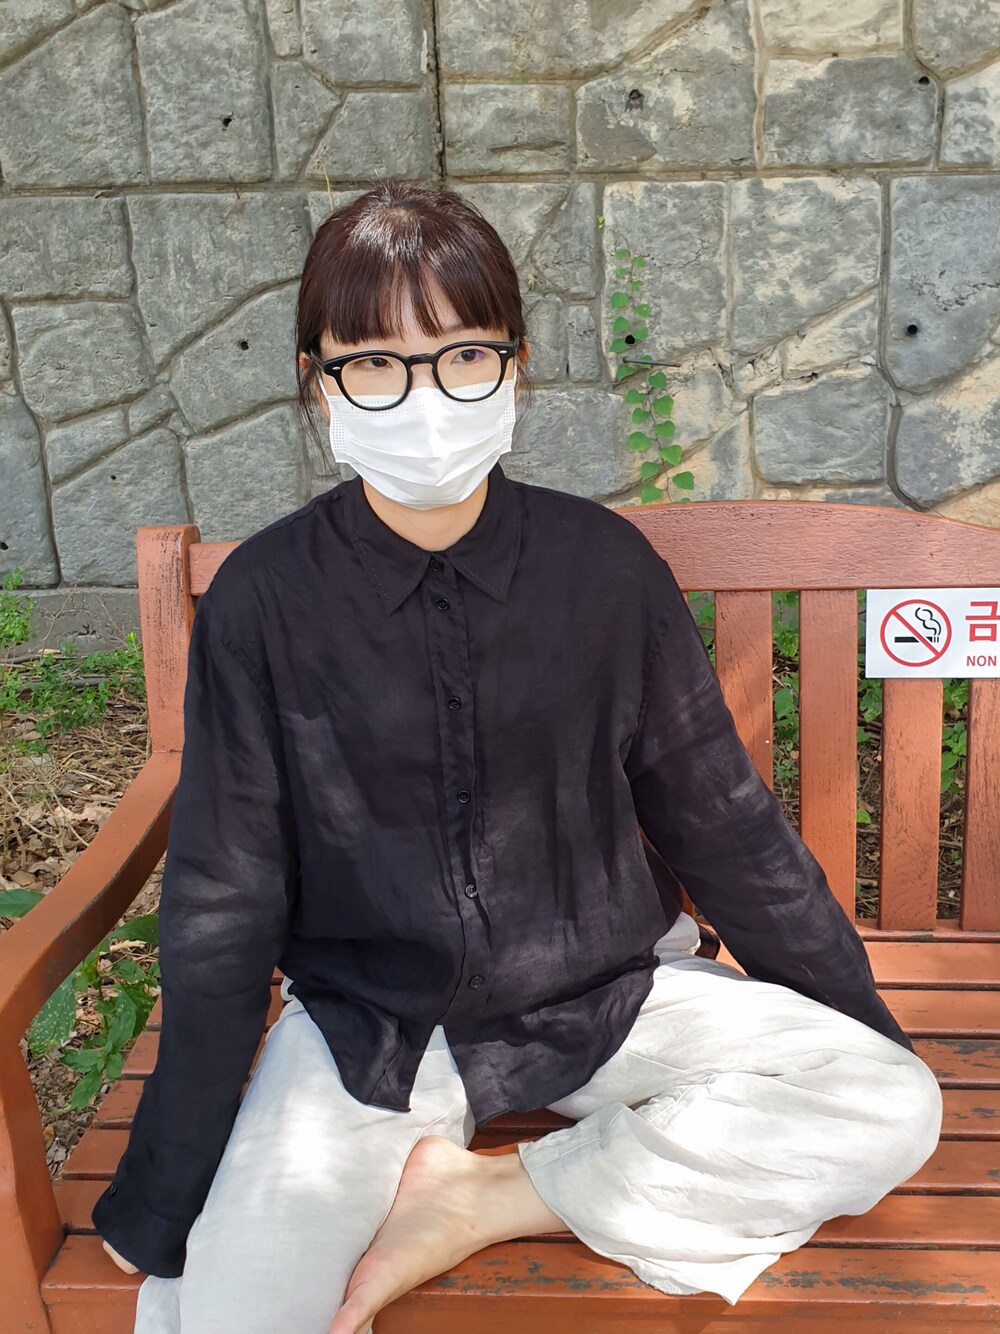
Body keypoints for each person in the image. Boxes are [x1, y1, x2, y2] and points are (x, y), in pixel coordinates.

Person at [92, 179, 943, 1334]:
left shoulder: (604, 571)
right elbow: (222, 897)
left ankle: (483, 1196)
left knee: (887, 1101)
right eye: (374, 363)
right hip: (367, 1030)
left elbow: (723, 823)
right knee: (234, 1311)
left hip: (611, 997)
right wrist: (167, 1186)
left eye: (461, 356)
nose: (423, 397)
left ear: (514, 365)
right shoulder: (264, 602)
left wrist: (850, 1025)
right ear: (317, 379)